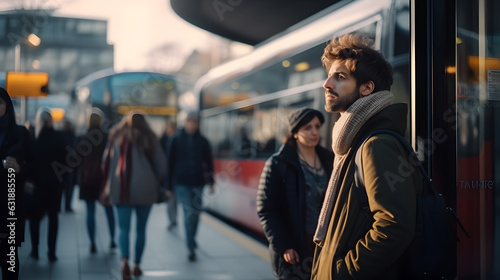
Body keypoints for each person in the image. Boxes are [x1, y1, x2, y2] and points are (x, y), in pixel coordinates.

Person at [311, 33, 419, 279]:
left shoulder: (376, 145)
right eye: (329, 76)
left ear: (367, 88)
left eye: (340, 77)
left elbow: (394, 227)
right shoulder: (353, 141)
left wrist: (343, 272)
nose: (327, 84)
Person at [257, 108, 334, 280]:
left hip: (327, 244)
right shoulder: (278, 164)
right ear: (295, 132)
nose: (314, 132)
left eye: (317, 126)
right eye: (307, 128)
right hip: (297, 245)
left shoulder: (330, 159)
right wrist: (284, 246)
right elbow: (266, 209)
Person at [102, 112, 166, 279]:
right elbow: (161, 166)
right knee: (141, 229)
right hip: (146, 189)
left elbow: (105, 163)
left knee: (123, 228)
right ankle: (137, 265)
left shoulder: (116, 136)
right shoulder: (150, 138)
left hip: (121, 188)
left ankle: (124, 262)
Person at [165, 111, 215, 262]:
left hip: (199, 183)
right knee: (188, 213)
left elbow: (209, 163)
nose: (192, 124)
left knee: (196, 213)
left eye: (194, 122)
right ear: (185, 122)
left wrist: (212, 182)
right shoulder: (175, 139)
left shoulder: (203, 141)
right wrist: (168, 186)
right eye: (190, 121)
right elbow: (169, 163)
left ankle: (192, 239)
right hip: (182, 183)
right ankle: (190, 247)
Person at [0, 88, 32, 279]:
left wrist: (20, 169)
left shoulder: (20, 133)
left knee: (10, 259)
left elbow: (34, 165)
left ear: (7, 106)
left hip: (10, 203)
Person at [29, 107, 66, 261]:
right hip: (55, 185)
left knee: (34, 218)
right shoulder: (59, 137)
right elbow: (66, 161)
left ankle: (35, 250)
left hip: (37, 185)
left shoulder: (33, 139)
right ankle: (51, 252)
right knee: (53, 218)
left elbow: (29, 163)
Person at [77, 110, 116, 253]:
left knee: (90, 212)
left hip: (87, 180)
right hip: (104, 179)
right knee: (109, 210)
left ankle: (92, 242)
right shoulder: (107, 137)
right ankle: (112, 240)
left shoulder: (83, 137)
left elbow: (77, 159)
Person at [159, 120, 178, 230]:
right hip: (167, 175)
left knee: (175, 199)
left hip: (177, 175)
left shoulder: (178, 140)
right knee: (170, 199)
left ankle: (174, 218)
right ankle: (172, 220)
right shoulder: (162, 141)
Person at [61, 118, 76, 212]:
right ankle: (67, 206)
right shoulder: (73, 136)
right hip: (70, 165)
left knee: (62, 187)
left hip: (61, 164)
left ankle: (62, 205)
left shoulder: (60, 135)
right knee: (69, 187)